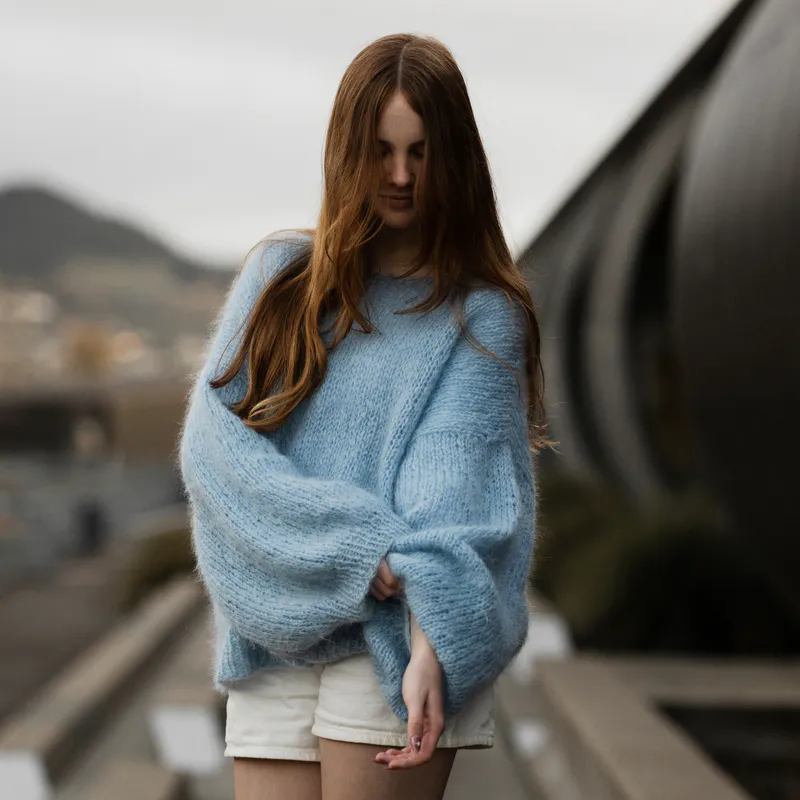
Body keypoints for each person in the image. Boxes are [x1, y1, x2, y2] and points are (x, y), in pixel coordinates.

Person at [179, 32, 545, 800]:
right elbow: (216, 453)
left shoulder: (482, 316)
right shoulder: (280, 279)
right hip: (275, 633)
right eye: (381, 151)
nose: (402, 176)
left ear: (457, 158)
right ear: (348, 151)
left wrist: (432, 643)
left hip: (398, 639)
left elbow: (453, 503)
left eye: (422, 152)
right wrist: (355, 551)